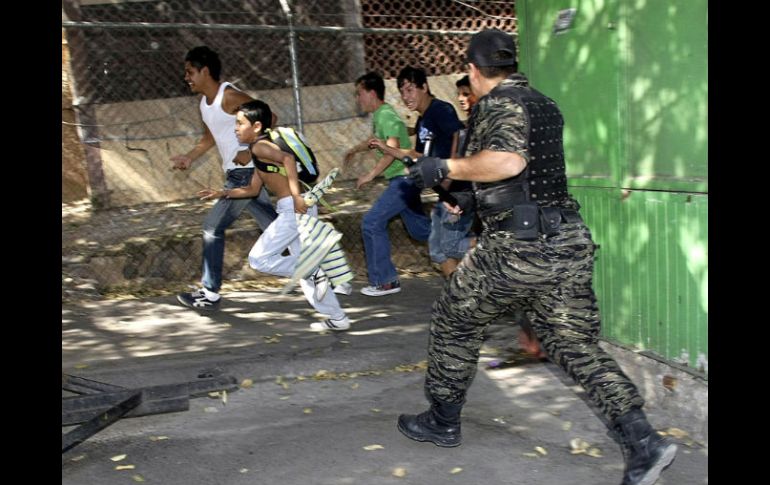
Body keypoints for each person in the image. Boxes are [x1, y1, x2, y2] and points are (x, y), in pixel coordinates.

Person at [396, 29, 677, 485]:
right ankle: (644, 441)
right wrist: (468, 199)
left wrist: (443, 167)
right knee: (573, 343)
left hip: (519, 247)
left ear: (472, 71)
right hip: (565, 240)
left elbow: (508, 162)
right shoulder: (544, 103)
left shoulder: (499, 105)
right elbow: (529, 176)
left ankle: (442, 420)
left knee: (455, 317)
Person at [198, 100, 351, 331]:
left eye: (240, 123)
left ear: (257, 126)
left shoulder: (261, 147)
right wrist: (222, 192)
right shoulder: (258, 151)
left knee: (259, 259)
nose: (236, 128)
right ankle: (337, 318)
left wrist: (297, 197)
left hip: (294, 209)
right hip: (298, 207)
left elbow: (287, 160)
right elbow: (251, 189)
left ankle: (314, 271)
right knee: (304, 269)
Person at [172, 46, 277, 310]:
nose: (187, 77)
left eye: (190, 71)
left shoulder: (228, 96)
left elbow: (269, 117)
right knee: (277, 229)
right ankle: (323, 266)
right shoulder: (205, 104)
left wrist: (248, 149)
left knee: (211, 227)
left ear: (204, 71)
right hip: (239, 171)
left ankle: (210, 293)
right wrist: (189, 157)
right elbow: (209, 138)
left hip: (244, 173)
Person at [369, 66, 471, 278]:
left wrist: (449, 175)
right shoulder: (423, 119)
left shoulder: (441, 109)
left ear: (424, 87)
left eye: (410, 89)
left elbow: (459, 135)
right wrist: (388, 149)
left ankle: (495, 244)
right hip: (446, 193)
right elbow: (418, 153)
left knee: (448, 247)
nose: (406, 97)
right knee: (438, 249)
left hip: (460, 189)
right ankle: (459, 293)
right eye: (402, 92)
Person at [344, 72, 431, 296]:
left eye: (359, 93)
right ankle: (465, 240)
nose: (357, 99)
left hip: (405, 180)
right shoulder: (381, 115)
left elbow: (390, 149)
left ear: (372, 93)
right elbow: (376, 142)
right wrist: (354, 150)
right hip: (406, 179)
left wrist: (370, 174)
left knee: (371, 223)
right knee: (421, 232)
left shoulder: (386, 115)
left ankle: (385, 281)